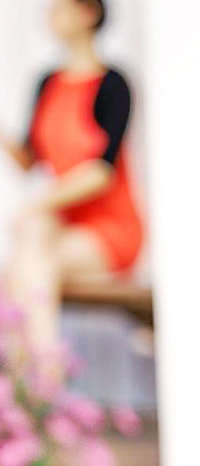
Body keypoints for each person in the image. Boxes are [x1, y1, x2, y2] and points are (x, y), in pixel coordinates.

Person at [5, 0, 145, 356]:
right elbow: (29, 159)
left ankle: (38, 378)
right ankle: (32, 379)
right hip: (62, 225)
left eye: (60, 7)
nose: (50, 14)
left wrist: (37, 203)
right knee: (28, 255)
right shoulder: (48, 83)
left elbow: (102, 171)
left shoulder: (113, 84)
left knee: (28, 265)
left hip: (109, 229)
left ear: (88, 13)